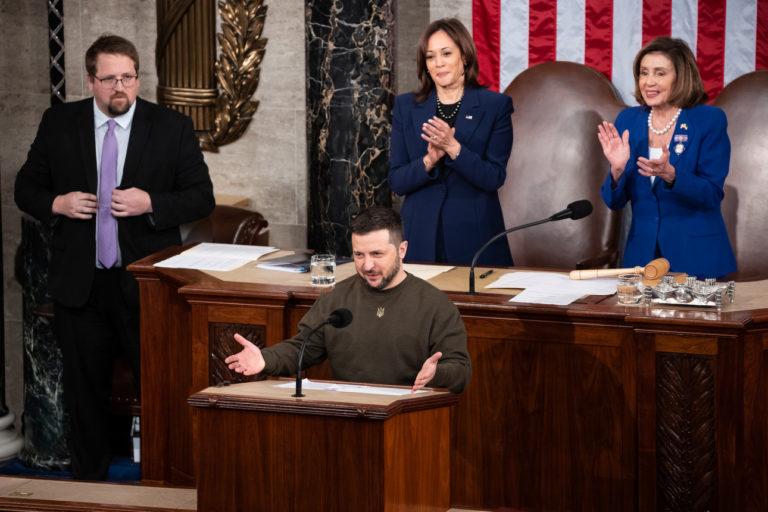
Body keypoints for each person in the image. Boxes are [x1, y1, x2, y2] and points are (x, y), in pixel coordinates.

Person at [15, 35, 215, 479]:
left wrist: (152, 204)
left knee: (158, 389)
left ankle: (163, 483)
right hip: (80, 285)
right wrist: (58, 204)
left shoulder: (170, 127)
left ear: (138, 77)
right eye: (109, 79)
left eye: (128, 77)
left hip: (143, 285)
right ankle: (90, 487)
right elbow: (25, 188)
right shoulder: (59, 123)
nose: (120, 87)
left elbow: (202, 197)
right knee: (84, 395)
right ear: (91, 81)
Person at [225, 206, 471, 394]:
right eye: (359, 255)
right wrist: (265, 359)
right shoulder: (338, 297)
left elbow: (460, 370)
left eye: (377, 254)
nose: (368, 265)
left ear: (402, 250)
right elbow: (303, 347)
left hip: (408, 419)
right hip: (349, 415)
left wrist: (437, 374)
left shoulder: (434, 305)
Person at [598, 37, 736, 279]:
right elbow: (614, 202)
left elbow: (712, 194)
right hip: (642, 262)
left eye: (660, 73)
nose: (649, 82)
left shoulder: (708, 120)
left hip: (696, 260)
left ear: (681, 77)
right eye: (643, 73)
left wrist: (673, 177)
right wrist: (617, 171)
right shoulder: (628, 120)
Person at [388, 18, 513, 266]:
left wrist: (453, 148)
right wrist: (428, 160)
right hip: (420, 237)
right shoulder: (406, 106)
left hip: (475, 239)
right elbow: (397, 181)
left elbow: (493, 177)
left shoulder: (495, 106)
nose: (438, 63)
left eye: (446, 53)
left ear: (464, 56)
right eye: (430, 56)